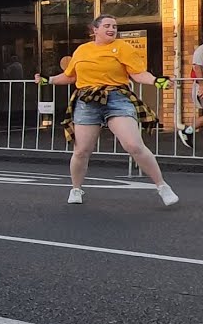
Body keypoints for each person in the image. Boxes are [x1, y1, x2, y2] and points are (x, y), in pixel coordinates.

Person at [37, 13, 178, 206]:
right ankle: (76, 189)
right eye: (107, 26)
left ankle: (162, 186)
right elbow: (70, 76)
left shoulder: (122, 47)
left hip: (116, 98)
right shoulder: (82, 50)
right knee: (81, 151)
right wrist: (49, 80)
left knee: (133, 145)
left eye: (115, 26)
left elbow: (137, 74)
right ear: (95, 30)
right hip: (87, 100)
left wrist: (155, 80)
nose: (112, 29)